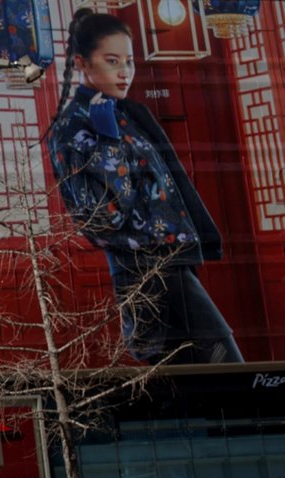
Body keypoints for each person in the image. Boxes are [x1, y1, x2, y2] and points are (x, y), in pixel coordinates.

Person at [47, 9, 243, 365]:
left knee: (193, 381)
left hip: (171, 264)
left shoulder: (127, 114)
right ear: (82, 63)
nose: (125, 72)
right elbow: (103, 219)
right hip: (144, 271)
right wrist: (108, 142)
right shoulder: (71, 129)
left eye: (129, 61)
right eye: (111, 61)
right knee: (224, 366)